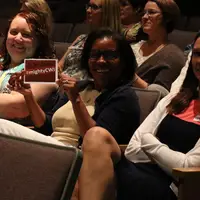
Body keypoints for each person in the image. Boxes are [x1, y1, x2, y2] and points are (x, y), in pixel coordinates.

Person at [0, 28, 140, 200]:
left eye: (110, 55)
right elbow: (45, 125)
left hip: (75, 155)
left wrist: (75, 100)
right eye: (94, 55)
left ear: (124, 61)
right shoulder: (80, 86)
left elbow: (95, 141)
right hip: (52, 145)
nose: (101, 61)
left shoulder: (123, 96)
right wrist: (28, 96)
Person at [115, 32, 200, 200]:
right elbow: (132, 149)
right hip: (142, 172)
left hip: (177, 188)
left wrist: (148, 141)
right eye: (197, 54)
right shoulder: (177, 98)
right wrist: (166, 158)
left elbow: (187, 167)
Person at [0, 11, 56, 120]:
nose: (17, 38)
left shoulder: (44, 68)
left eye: (26, 35)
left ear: (39, 41)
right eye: (14, 32)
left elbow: (19, 106)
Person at [132, 0, 185, 94]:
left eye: (151, 12)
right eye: (144, 13)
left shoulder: (174, 56)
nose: (144, 17)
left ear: (167, 18)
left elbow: (160, 94)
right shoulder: (133, 47)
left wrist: (129, 76)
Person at [59, 0, 121, 80]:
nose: (88, 10)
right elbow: (59, 65)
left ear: (107, 12)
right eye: (88, 6)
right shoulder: (81, 38)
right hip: (61, 82)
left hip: (83, 87)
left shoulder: (115, 43)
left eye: (94, 7)